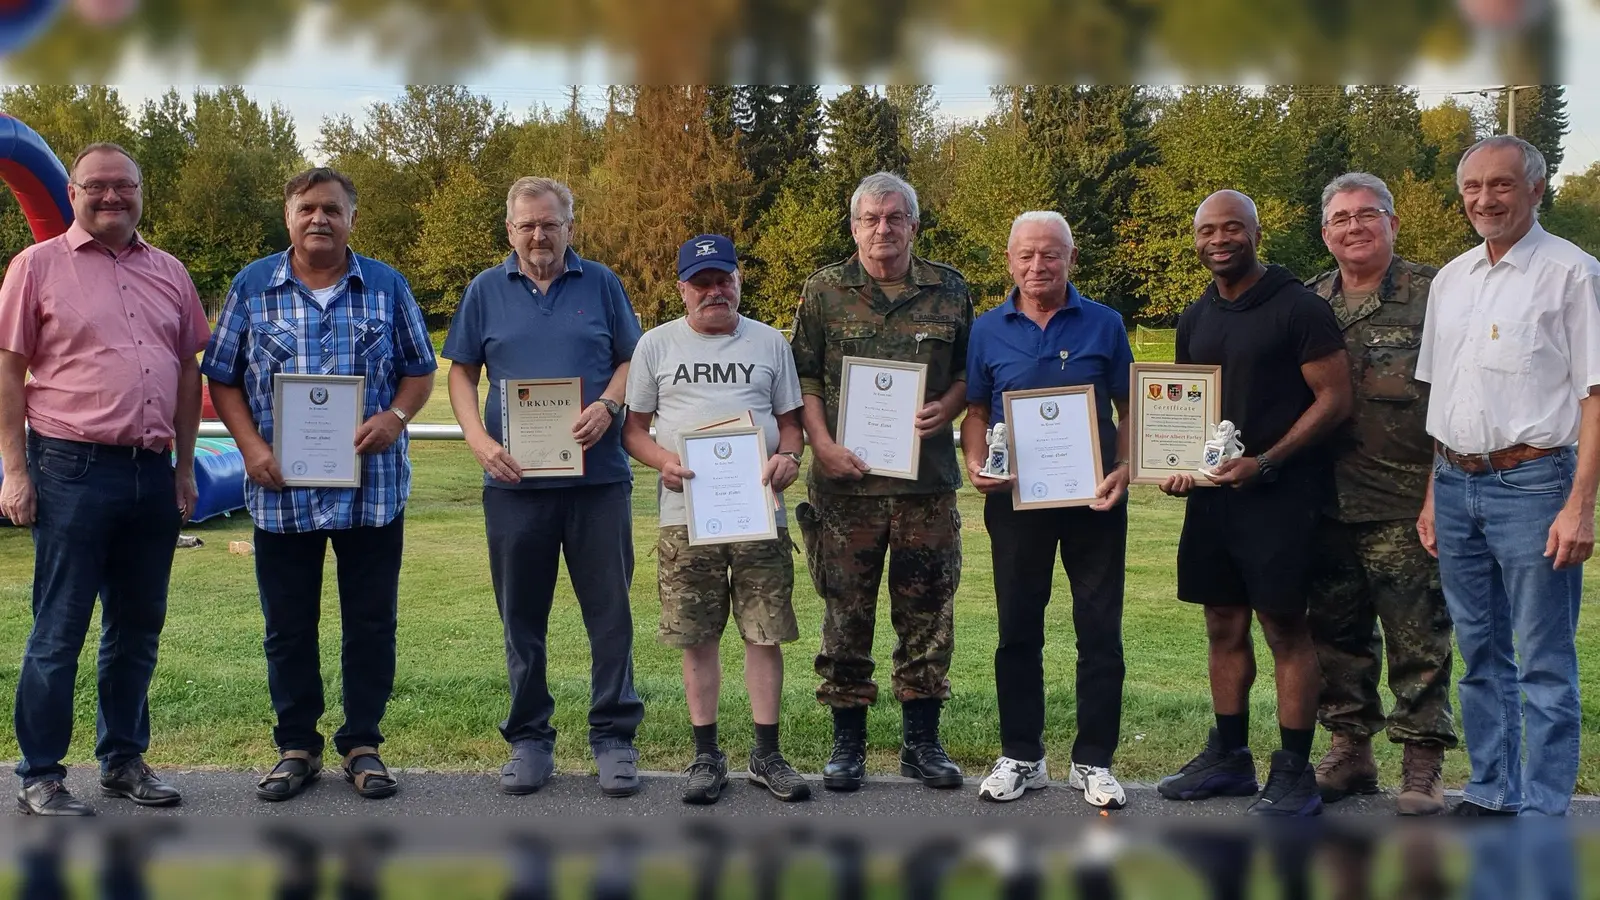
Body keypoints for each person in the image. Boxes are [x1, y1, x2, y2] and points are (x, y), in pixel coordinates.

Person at [202, 167, 437, 802]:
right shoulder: (252, 286)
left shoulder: (387, 286)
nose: (319, 220)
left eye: (332, 209)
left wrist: (396, 417)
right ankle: (296, 746)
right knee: (287, 627)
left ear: (352, 218)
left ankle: (364, 743)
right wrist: (250, 447)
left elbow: (420, 371)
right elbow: (220, 375)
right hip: (283, 494)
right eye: (307, 208)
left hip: (372, 491)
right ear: (288, 216)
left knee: (370, 624)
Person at [0, 142, 208, 816]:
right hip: (70, 469)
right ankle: (40, 774)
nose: (111, 197)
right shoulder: (35, 267)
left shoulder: (170, 272)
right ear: (73, 192)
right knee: (59, 628)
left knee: (138, 627)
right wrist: (14, 471)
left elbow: (186, 371)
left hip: (151, 471)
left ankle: (122, 761)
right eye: (97, 186)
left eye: (125, 186)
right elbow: (8, 372)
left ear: (143, 192)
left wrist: (184, 468)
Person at [442, 176, 645, 797]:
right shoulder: (485, 290)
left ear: (568, 227)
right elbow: (461, 372)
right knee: (521, 618)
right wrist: (479, 442)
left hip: (598, 482)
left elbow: (632, 359)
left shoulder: (603, 284)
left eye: (549, 224)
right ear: (510, 230)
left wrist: (610, 405)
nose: (538, 234)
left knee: (609, 617)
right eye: (527, 224)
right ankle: (530, 738)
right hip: (514, 485)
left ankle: (613, 737)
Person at [1417, 135, 1600, 817]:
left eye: (1501, 185)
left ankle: (1545, 807)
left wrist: (1580, 506)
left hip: (1534, 484)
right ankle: (1493, 791)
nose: (1485, 199)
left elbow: (1595, 396)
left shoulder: (1573, 274)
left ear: (1536, 190)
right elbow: (1441, 397)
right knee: (1480, 651)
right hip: (1454, 482)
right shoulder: (1452, 280)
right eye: (1473, 187)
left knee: (1545, 659)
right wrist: (1433, 495)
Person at [1156, 189, 1352, 817]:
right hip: (1215, 503)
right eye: (1207, 230)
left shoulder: (1300, 308)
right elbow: (1186, 409)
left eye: (1232, 228)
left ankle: (1293, 768)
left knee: (1286, 629)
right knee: (1222, 624)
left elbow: (1334, 400)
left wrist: (1266, 462)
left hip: (1281, 498)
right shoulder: (1195, 316)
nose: (1219, 240)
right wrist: (1177, 464)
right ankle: (1230, 757)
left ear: (1256, 233)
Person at [790, 171, 972, 791]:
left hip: (925, 486)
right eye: (870, 219)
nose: (882, 230)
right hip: (845, 487)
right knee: (846, 610)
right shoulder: (823, 292)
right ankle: (848, 743)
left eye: (895, 218)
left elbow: (973, 373)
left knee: (927, 612)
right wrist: (821, 443)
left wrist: (948, 408)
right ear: (854, 226)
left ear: (914, 225)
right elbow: (805, 378)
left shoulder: (950, 289)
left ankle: (922, 741)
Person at [621, 234, 811, 804]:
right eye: (701, 283)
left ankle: (767, 754)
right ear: (682, 289)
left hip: (759, 513)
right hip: (687, 515)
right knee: (697, 639)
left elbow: (792, 423)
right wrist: (664, 462)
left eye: (723, 280)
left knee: (764, 634)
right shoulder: (655, 346)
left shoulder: (770, 342)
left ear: (738, 281)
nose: (714, 292)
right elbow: (634, 430)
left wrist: (789, 458)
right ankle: (706, 757)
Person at [961, 211, 1131, 809]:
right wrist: (976, 463)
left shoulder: (1105, 324)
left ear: (1071, 257)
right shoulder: (987, 329)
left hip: (1096, 498)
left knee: (1099, 630)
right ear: (1009, 261)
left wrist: (1125, 467)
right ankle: (1022, 756)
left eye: (1051, 254)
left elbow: (1128, 407)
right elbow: (976, 411)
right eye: (1027, 255)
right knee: (1017, 630)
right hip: (1016, 503)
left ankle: (1094, 761)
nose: (1039, 266)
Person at [1304, 172, 1457, 816]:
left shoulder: (1439, 294)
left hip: (1406, 499)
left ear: (1393, 223)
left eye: (1368, 214)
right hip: (1324, 500)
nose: (1354, 227)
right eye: (1341, 218)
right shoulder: (1308, 301)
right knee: (1336, 636)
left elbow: (1459, 399)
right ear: (1325, 233)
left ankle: (1421, 765)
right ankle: (1350, 750)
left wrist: (1439, 492)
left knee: (1418, 636)